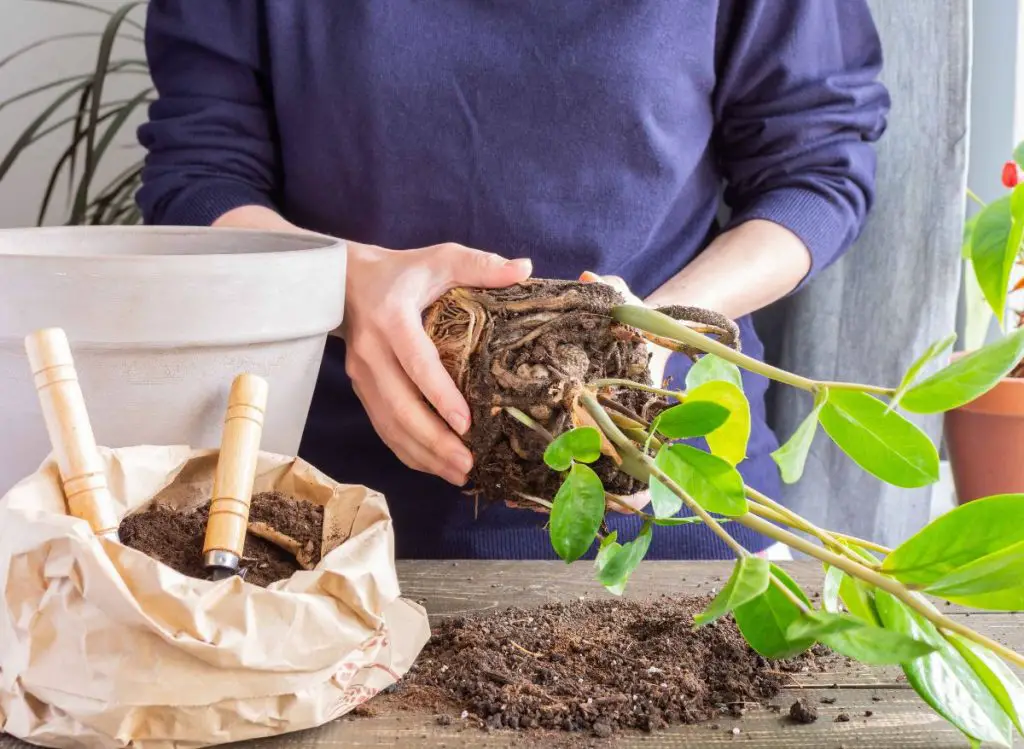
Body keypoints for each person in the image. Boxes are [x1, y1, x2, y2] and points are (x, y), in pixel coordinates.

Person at [136, 1, 890, 560]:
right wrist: (344, 283)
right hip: (329, 513)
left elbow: (815, 168)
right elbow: (199, 176)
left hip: (667, 482)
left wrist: (660, 331)